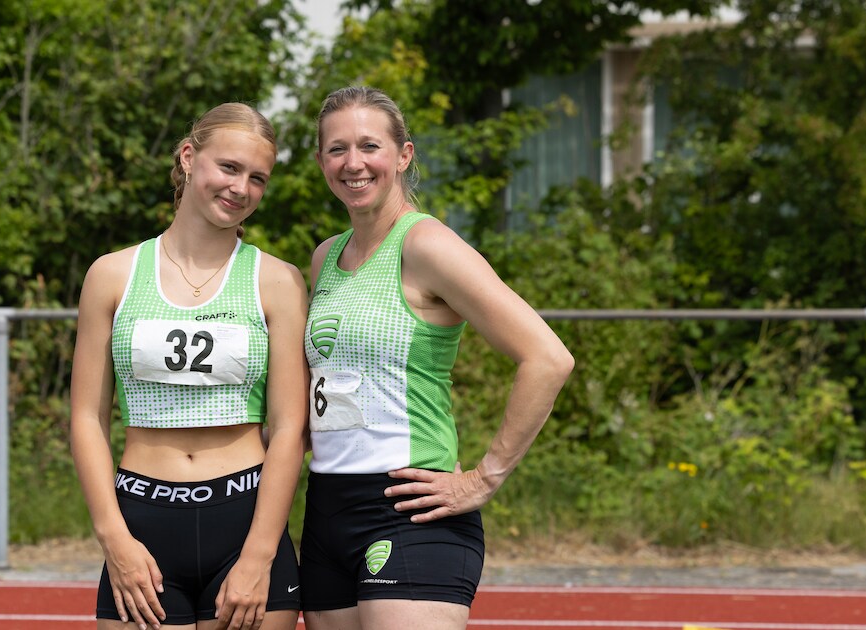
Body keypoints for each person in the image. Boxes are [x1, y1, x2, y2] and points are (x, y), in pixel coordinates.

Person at [298, 86, 575, 630]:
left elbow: (547, 357)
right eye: (337, 149)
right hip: (326, 508)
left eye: (369, 146)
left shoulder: (426, 245)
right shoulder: (325, 257)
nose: (353, 163)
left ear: (403, 155)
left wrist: (484, 478)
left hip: (409, 509)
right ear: (321, 161)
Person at [70, 103, 308, 630]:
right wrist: (113, 539)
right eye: (229, 167)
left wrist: (258, 557)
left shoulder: (278, 281)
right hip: (142, 520)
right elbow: (87, 417)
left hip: (245, 520)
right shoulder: (111, 275)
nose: (241, 188)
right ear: (187, 157)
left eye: (258, 178)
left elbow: (290, 427)